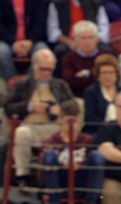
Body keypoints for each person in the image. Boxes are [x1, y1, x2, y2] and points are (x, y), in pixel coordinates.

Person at [5, 48, 79, 186]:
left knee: (70, 133)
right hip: (30, 127)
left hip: (55, 128)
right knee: (21, 133)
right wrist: (30, 107)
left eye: (49, 70)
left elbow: (74, 106)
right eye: (42, 69)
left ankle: (62, 176)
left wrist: (61, 109)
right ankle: (23, 175)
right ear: (34, 65)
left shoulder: (60, 84)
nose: (45, 73)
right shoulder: (22, 84)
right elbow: (9, 108)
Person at [39, 101, 105, 204]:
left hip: (81, 180)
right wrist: (63, 166)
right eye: (67, 122)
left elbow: (94, 166)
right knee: (49, 155)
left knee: (96, 156)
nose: (71, 126)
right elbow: (42, 171)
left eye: (73, 122)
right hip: (61, 181)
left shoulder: (87, 140)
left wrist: (80, 166)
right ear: (60, 120)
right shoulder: (51, 141)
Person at [0, 0, 51, 82]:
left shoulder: (38, 2)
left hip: (32, 42)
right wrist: (12, 43)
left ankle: (28, 83)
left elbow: (40, 24)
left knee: (43, 50)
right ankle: (14, 84)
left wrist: (31, 41)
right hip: (7, 42)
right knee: (0, 51)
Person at [61, 21, 108, 101]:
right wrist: (95, 75)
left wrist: (86, 75)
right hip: (78, 98)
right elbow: (69, 81)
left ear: (97, 39)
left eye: (91, 37)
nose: (87, 41)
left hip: (103, 97)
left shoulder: (106, 56)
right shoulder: (68, 58)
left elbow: (108, 80)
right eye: (83, 38)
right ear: (75, 40)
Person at [83, 54, 120, 135]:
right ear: (98, 75)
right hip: (98, 131)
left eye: (111, 72)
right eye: (104, 73)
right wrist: (109, 127)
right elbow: (90, 118)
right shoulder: (91, 92)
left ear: (116, 74)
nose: (107, 76)